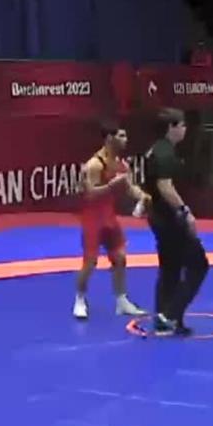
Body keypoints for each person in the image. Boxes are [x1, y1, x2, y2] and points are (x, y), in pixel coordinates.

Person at [142, 108, 209, 337]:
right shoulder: (165, 153)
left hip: (159, 218)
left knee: (170, 268)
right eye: (182, 125)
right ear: (171, 127)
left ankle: (165, 320)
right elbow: (164, 186)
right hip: (171, 219)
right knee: (198, 265)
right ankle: (170, 315)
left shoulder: (155, 150)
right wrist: (184, 211)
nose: (185, 129)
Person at [74, 122, 151, 320]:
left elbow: (129, 187)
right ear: (110, 138)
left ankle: (121, 301)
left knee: (120, 258)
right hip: (92, 219)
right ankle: (80, 299)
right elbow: (90, 194)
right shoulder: (95, 164)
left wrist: (143, 197)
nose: (126, 140)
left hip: (109, 216)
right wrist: (111, 186)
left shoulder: (121, 164)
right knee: (90, 263)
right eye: (121, 136)